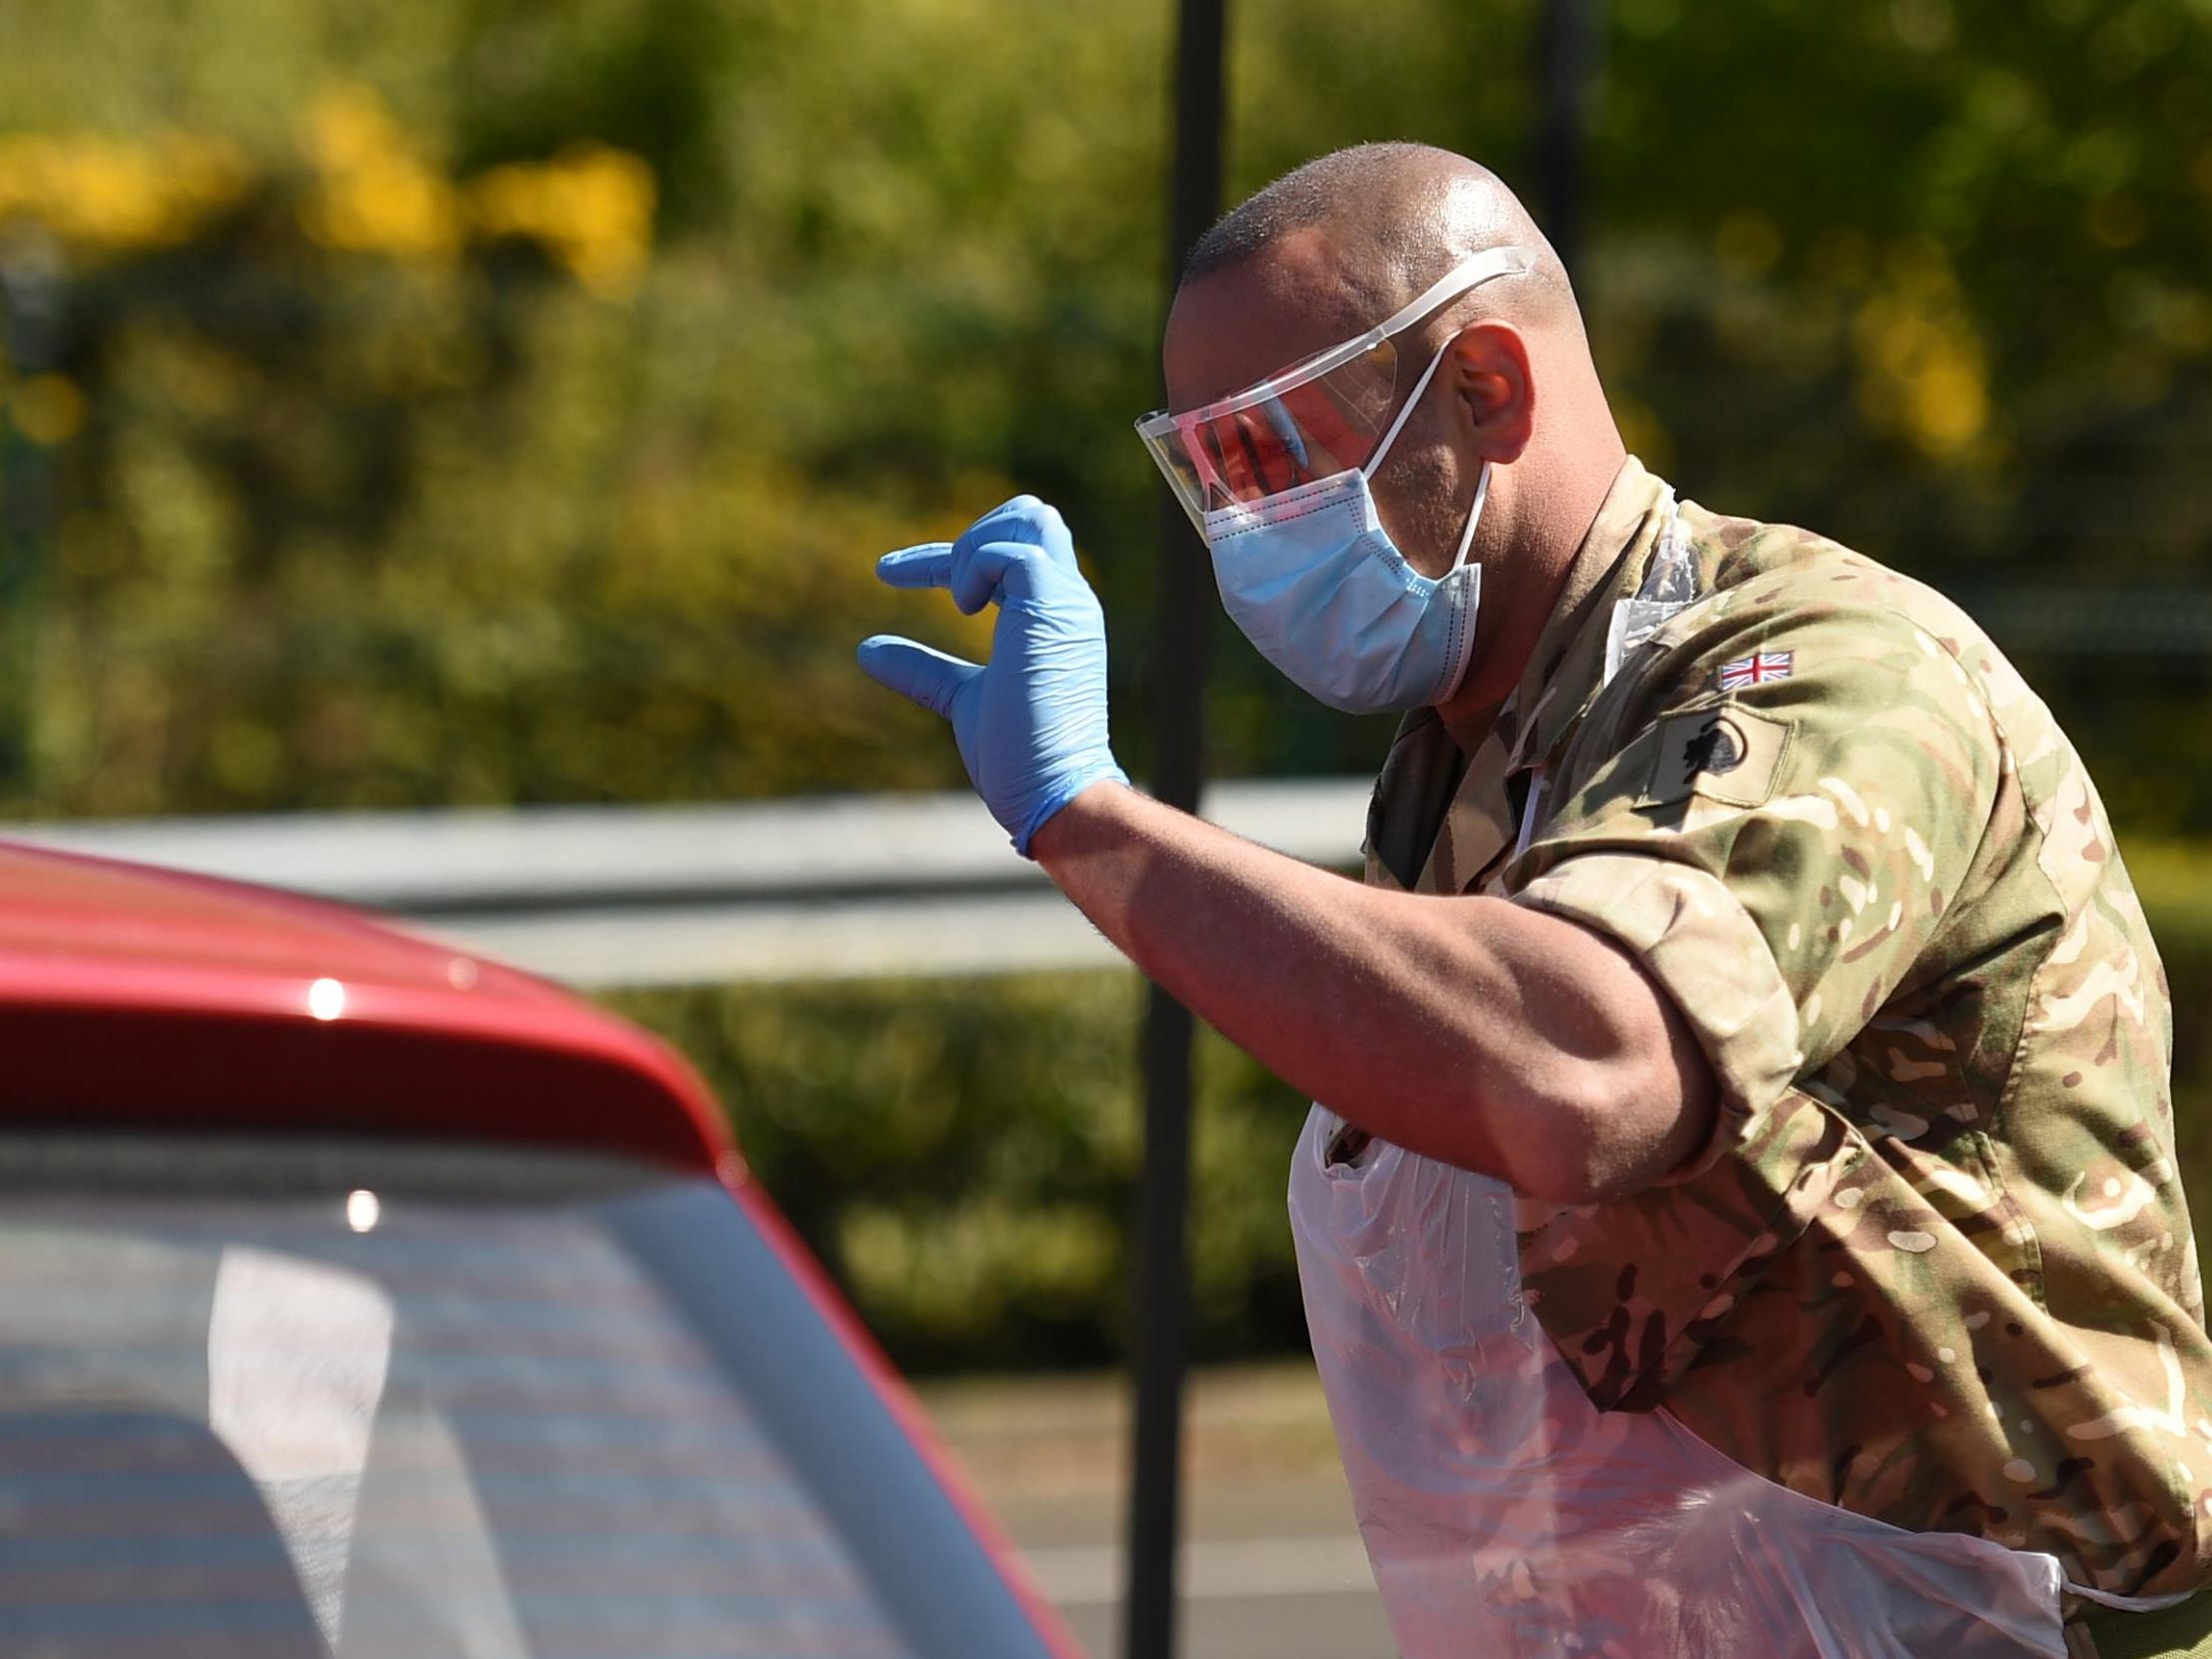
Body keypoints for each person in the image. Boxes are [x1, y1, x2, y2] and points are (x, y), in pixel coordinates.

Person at [858, 142, 2212, 1657]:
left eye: (1274, 450)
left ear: (1484, 390)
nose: (1243, 522)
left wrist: (1088, 820)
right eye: (1209, 470)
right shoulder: (1462, 764)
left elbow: (1586, 1066)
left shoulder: (1825, 673)